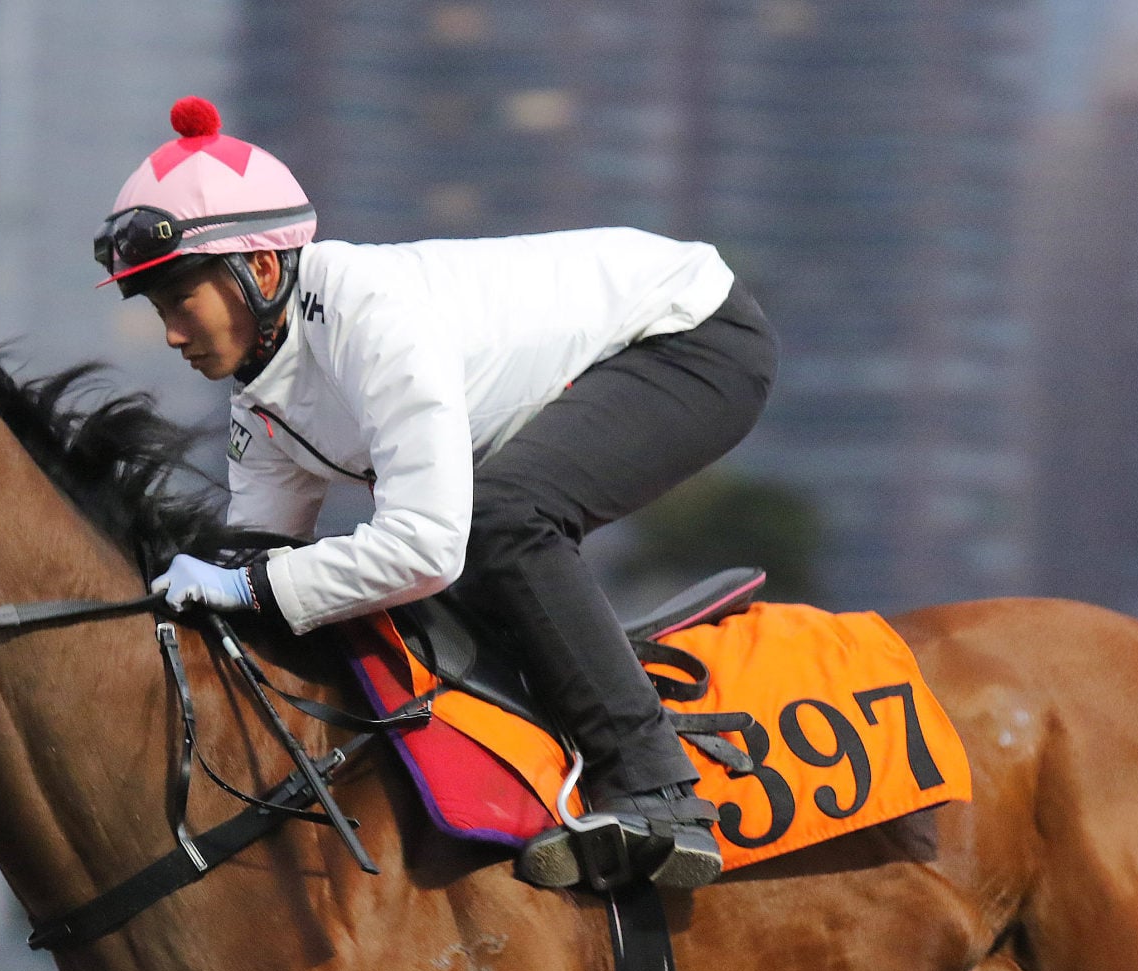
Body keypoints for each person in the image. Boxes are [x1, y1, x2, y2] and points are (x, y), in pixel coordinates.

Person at [98, 96, 777, 892]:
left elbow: (425, 545)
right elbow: (261, 558)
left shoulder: (369, 316)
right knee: (453, 549)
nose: (172, 331)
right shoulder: (260, 399)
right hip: (603, 361)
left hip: (692, 334)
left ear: (263, 270)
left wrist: (247, 582)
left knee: (501, 518)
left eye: (180, 300)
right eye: (156, 307)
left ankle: (658, 794)